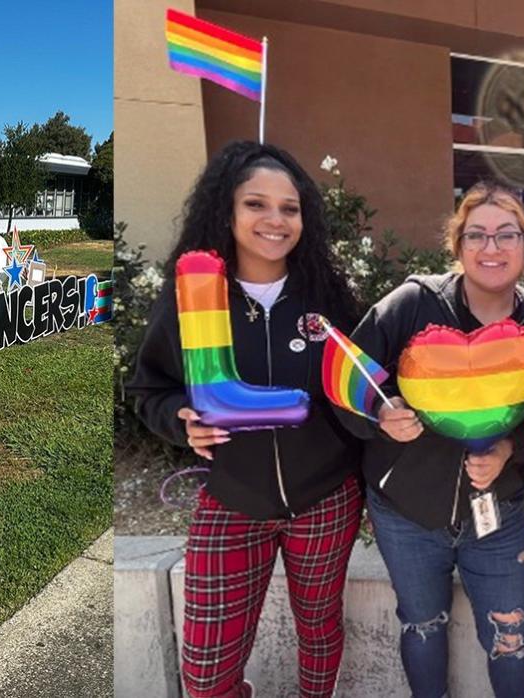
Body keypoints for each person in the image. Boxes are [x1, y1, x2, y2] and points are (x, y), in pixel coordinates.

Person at [127, 140, 363, 698]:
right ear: (226, 212)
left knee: (320, 630)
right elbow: (147, 388)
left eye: (290, 207)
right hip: (231, 500)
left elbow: (362, 389)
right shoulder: (192, 298)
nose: (275, 220)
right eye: (256, 204)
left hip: (325, 499)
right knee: (206, 671)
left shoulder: (326, 297)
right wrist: (178, 418)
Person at [337, 182, 524, 698]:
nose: (492, 248)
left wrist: (510, 451)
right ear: (457, 245)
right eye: (476, 235)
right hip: (406, 515)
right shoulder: (412, 305)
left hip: (498, 517)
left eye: (508, 235)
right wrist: (379, 413)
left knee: (512, 635)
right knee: (422, 625)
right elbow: (346, 387)